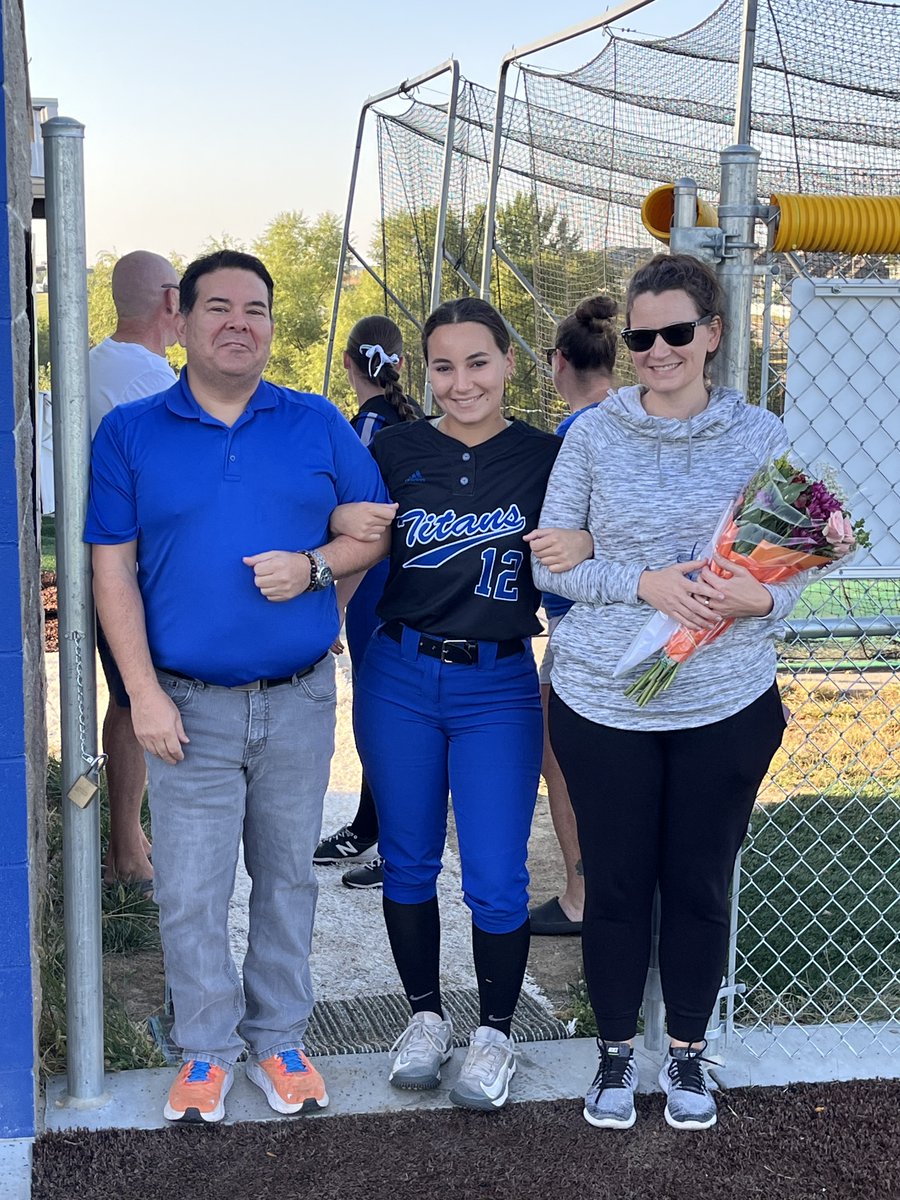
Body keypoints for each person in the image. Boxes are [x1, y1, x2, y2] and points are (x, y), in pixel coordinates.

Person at [85, 250, 389, 1125]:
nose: (237, 323)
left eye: (254, 308)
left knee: (288, 877)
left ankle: (280, 1041)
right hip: (186, 703)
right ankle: (205, 1052)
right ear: (180, 319)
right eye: (218, 306)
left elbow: (371, 529)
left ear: (270, 324)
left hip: (297, 697)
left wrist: (316, 567)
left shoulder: (316, 423)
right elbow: (112, 571)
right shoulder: (132, 433)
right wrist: (140, 692)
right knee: (189, 887)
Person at [532, 253, 801, 1131]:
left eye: (676, 333)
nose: (657, 351)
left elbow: (793, 566)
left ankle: (686, 1054)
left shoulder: (761, 436)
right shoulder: (593, 436)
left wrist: (758, 596)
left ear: (714, 335)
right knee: (613, 882)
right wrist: (645, 582)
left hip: (723, 702)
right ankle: (614, 1056)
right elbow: (559, 559)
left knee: (696, 884)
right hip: (605, 702)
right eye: (642, 337)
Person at [351, 296, 591, 1111]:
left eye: (478, 362)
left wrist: (587, 542)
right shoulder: (394, 449)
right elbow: (354, 537)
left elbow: (590, 532)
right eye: (443, 366)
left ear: (509, 364)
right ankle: (424, 1019)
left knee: (495, 870)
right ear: (426, 372)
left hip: (498, 682)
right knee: (409, 858)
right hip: (400, 675)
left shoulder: (548, 456)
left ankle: (494, 1032)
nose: (461, 383)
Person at [314, 315, 422, 890]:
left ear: (351, 365)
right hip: (406, 588)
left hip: (375, 589)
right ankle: (367, 825)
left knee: (385, 718)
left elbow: (365, 534)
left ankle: (397, 844)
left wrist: (333, 604)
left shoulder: (365, 430)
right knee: (388, 711)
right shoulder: (410, 421)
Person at [89, 250, 181, 893]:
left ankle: (128, 834)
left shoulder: (91, 363)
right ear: (173, 302)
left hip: (104, 564)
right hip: (141, 572)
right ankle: (127, 848)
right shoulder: (149, 381)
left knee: (126, 700)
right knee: (141, 699)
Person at [529, 295, 617, 938]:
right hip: (652, 615)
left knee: (560, 755)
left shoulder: (573, 435)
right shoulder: (639, 417)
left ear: (559, 362)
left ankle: (583, 895)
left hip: (585, 623)